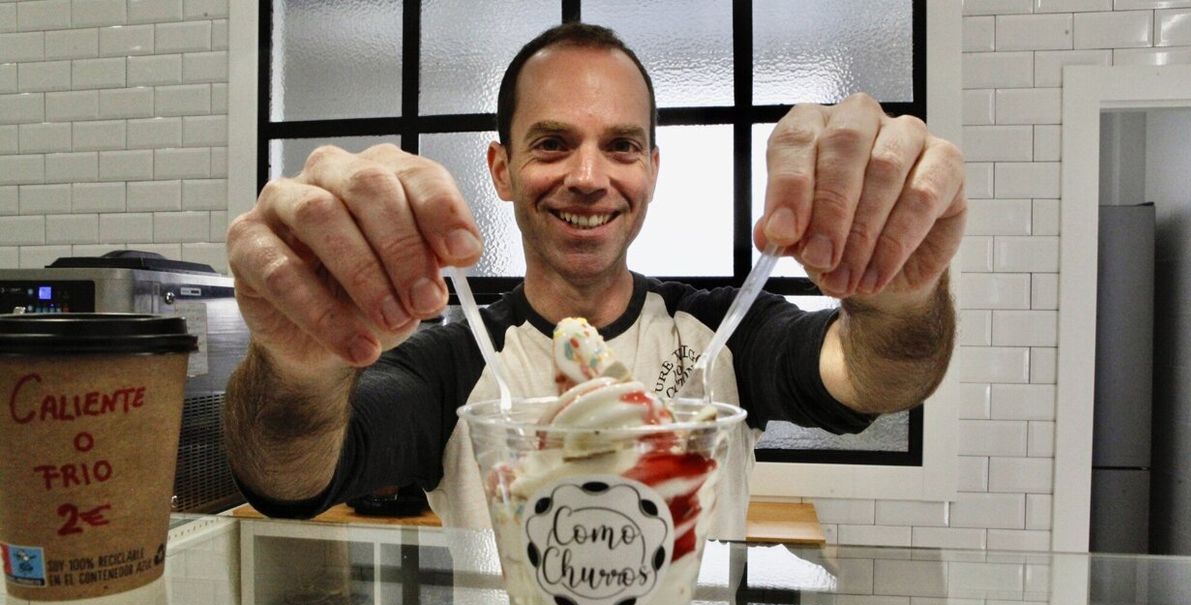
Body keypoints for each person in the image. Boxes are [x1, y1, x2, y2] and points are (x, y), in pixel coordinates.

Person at [223, 23, 965, 537]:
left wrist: (899, 293)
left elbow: (880, 375)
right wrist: (299, 365)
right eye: (552, 143)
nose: (588, 177)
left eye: (621, 145)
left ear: (651, 169)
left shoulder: (725, 335)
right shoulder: (456, 363)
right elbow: (287, 478)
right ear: (502, 170)